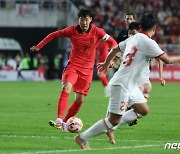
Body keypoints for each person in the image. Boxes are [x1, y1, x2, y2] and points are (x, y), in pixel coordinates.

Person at [74, 12, 180, 150]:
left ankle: (111, 127)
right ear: (155, 28)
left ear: (140, 26)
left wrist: (106, 64)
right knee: (113, 120)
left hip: (130, 85)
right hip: (122, 84)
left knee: (143, 110)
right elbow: (168, 60)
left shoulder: (133, 38)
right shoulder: (148, 42)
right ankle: (82, 138)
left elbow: (114, 49)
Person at [30, 8, 117, 131]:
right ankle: (59, 119)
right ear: (79, 20)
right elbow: (54, 34)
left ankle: (65, 123)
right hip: (73, 66)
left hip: (87, 70)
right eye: (82, 20)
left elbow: (113, 42)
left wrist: (112, 59)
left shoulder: (97, 32)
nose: (84, 23)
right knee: (66, 87)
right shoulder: (71, 30)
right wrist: (39, 46)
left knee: (80, 99)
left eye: (87, 20)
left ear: (90, 20)